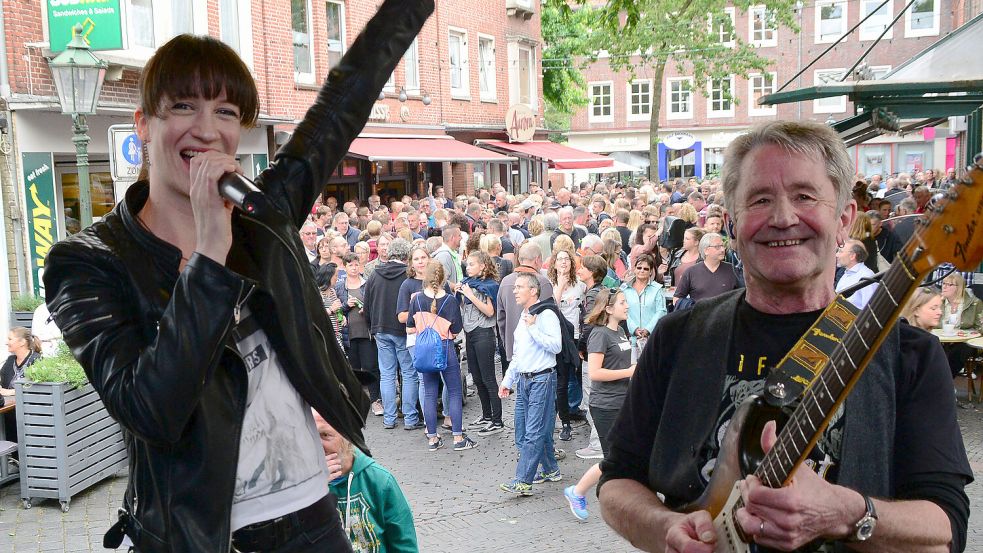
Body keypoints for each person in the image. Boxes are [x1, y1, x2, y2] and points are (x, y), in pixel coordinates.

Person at [42, 6, 435, 550]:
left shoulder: (260, 217)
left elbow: (344, 103)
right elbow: (149, 410)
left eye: (225, 111)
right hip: (205, 536)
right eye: (183, 106)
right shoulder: (88, 263)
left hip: (314, 516)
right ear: (143, 125)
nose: (206, 129)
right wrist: (207, 254)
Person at [598, 120, 971, 553]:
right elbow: (618, 482)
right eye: (759, 200)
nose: (783, 217)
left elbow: (946, 530)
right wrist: (664, 529)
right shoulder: (680, 336)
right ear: (733, 224)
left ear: (845, 218)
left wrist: (849, 513)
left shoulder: (908, 355)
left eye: (805, 196)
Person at [563, 288, 635, 521]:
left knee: (627, 454)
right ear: (609, 308)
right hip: (605, 405)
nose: (627, 306)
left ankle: (618, 499)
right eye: (623, 302)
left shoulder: (621, 331)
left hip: (623, 401)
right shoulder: (599, 335)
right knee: (614, 458)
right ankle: (577, 491)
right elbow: (595, 372)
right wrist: (629, 372)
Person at [314, 412, 418, 552]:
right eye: (311, 435)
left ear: (347, 436)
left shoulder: (379, 481)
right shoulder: (301, 488)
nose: (316, 445)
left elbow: (404, 544)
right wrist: (315, 491)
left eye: (325, 435)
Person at [498, 273, 563, 496]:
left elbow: (556, 346)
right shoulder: (524, 315)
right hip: (526, 380)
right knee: (530, 430)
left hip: (542, 379)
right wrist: (508, 380)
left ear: (533, 291)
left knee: (532, 431)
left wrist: (534, 328)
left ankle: (523, 480)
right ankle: (551, 470)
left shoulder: (545, 315)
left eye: (519, 287)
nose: (514, 291)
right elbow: (518, 354)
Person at [406, 261, 476, 452]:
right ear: (443, 278)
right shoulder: (450, 300)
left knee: (429, 392)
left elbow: (410, 328)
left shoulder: (416, 300)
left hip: (423, 349)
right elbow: (456, 330)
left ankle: (432, 438)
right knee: (453, 391)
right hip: (445, 347)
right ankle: (458, 437)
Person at [365, 238, 423, 431]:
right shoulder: (407, 276)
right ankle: (410, 418)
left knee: (387, 374)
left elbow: (367, 304)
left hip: (380, 329)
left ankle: (389, 418)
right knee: (408, 373)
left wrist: (371, 327)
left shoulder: (374, 274)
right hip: (402, 329)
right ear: (406, 256)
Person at [459, 250, 504, 436]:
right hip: (470, 333)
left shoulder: (490, 285)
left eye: (471, 264)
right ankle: (486, 415)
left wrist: (469, 295)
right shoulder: (468, 283)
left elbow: (489, 311)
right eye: (467, 264)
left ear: (483, 266)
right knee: (476, 377)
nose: (467, 267)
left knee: (488, 378)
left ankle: (497, 420)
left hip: (484, 333)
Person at [497, 243, 554, 378]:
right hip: (539, 352)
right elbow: (551, 316)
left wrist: (508, 344)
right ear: (537, 260)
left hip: (515, 349)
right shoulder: (542, 282)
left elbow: (500, 319)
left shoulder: (505, 281)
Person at [337, 253, 381, 417]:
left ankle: (375, 400)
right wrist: (345, 306)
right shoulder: (341, 287)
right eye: (350, 265)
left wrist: (366, 310)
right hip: (349, 334)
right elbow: (337, 311)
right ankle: (356, 401)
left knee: (371, 367)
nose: (354, 268)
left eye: (356, 265)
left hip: (366, 332)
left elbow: (374, 305)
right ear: (345, 267)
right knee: (353, 369)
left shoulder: (367, 284)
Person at [673, 232, 740, 306]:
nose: (722, 250)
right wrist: (691, 309)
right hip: (699, 316)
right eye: (717, 247)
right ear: (706, 250)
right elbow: (677, 299)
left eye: (723, 246)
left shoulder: (733, 270)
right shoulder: (691, 272)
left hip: (726, 316)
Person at [938, 273, 983, 378]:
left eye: (949, 284)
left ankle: (945, 381)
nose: (944, 286)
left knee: (961, 351)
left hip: (964, 341)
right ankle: (943, 382)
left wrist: (969, 334)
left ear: (959, 288)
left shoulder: (975, 304)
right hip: (941, 339)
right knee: (933, 348)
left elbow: (980, 328)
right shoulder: (937, 302)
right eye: (943, 283)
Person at [622, 253, 668, 351]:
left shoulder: (657, 289)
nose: (642, 270)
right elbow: (621, 311)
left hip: (652, 339)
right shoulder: (624, 289)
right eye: (639, 268)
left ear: (651, 271)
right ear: (634, 269)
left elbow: (661, 311)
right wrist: (634, 329)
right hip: (629, 339)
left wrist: (648, 329)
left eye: (646, 269)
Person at [834, 239, 878, 310]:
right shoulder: (847, 272)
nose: (836, 255)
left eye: (840, 251)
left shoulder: (866, 276)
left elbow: (870, 310)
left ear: (852, 256)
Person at [0, 327, 41, 397]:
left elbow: (38, 388)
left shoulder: (38, 360)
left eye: (10, 339)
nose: (6, 343)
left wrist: (12, 392)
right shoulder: (10, 361)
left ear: (22, 342)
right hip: (9, 405)